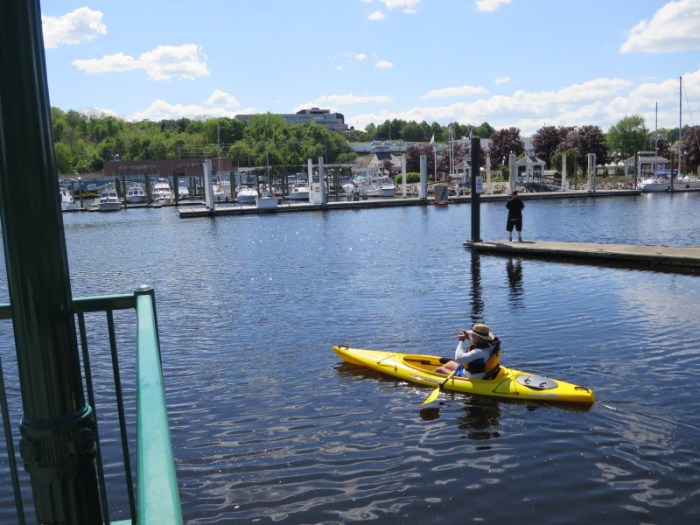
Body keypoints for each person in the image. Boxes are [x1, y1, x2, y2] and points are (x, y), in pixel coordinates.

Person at [434, 323, 501, 380]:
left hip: (472, 377)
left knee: (439, 370)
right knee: (450, 363)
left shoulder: (478, 352)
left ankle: (429, 379)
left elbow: (458, 359)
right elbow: (474, 347)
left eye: (473, 335)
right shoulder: (490, 347)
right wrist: (467, 337)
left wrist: (460, 342)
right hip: (482, 374)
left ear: (479, 338)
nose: (472, 336)